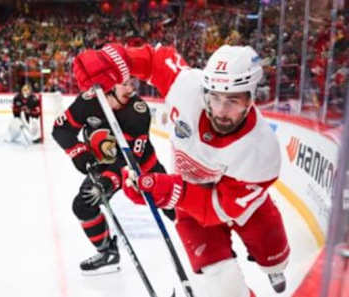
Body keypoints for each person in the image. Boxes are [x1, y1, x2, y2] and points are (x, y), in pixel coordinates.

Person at [73, 44, 290, 296]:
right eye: (214, 97)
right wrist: (112, 60)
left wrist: (167, 190)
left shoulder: (262, 150)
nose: (220, 110)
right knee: (223, 287)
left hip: (232, 199)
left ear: (251, 98)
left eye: (232, 100)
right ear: (204, 89)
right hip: (191, 204)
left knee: (272, 247)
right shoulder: (187, 87)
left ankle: (274, 265)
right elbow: (154, 60)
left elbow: (215, 209)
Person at [52, 79, 174, 275]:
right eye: (125, 84)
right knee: (83, 205)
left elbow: (131, 158)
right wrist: (79, 153)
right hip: (104, 164)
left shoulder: (137, 111)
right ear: (109, 86)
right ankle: (107, 252)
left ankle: (202, 242)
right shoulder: (87, 101)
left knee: (172, 204)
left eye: (132, 83)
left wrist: (109, 181)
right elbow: (61, 129)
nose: (131, 88)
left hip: (143, 166)